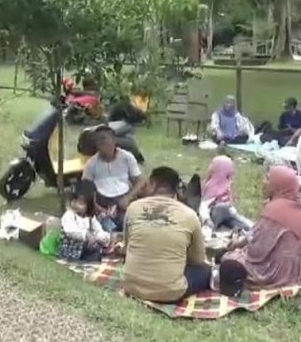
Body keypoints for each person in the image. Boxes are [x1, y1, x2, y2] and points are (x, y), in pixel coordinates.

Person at [221, 166, 301, 290]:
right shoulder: (298, 206)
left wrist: (239, 250)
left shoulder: (275, 210)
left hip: (279, 271)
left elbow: (256, 252)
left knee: (229, 261)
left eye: (268, 179)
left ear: (278, 184)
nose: (264, 182)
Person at [123, 166, 210, 303]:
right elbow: (198, 260)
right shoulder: (189, 215)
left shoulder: (133, 208)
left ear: (152, 184)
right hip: (170, 293)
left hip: (132, 286)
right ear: (176, 189)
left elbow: (127, 249)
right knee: (204, 270)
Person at [82, 127, 144, 232]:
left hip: (122, 199)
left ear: (114, 140)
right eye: (97, 141)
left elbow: (140, 181)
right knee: (103, 229)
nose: (100, 143)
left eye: (103, 139)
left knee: (129, 225)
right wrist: (94, 205)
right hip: (101, 201)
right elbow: (84, 187)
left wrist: (129, 197)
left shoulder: (126, 157)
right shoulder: (92, 163)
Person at [59, 180, 110, 261]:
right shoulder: (69, 215)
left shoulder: (90, 218)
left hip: (86, 247)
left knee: (99, 247)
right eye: (73, 200)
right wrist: (86, 235)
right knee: (94, 252)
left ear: (89, 205)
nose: (75, 204)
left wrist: (102, 237)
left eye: (80, 203)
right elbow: (71, 232)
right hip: (72, 251)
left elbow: (98, 229)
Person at [199, 156, 253, 232]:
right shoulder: (220, 185)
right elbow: (206, 204)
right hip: (216, 211)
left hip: (220, 213)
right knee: (236, 219)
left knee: (235, 221)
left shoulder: (210, 183)